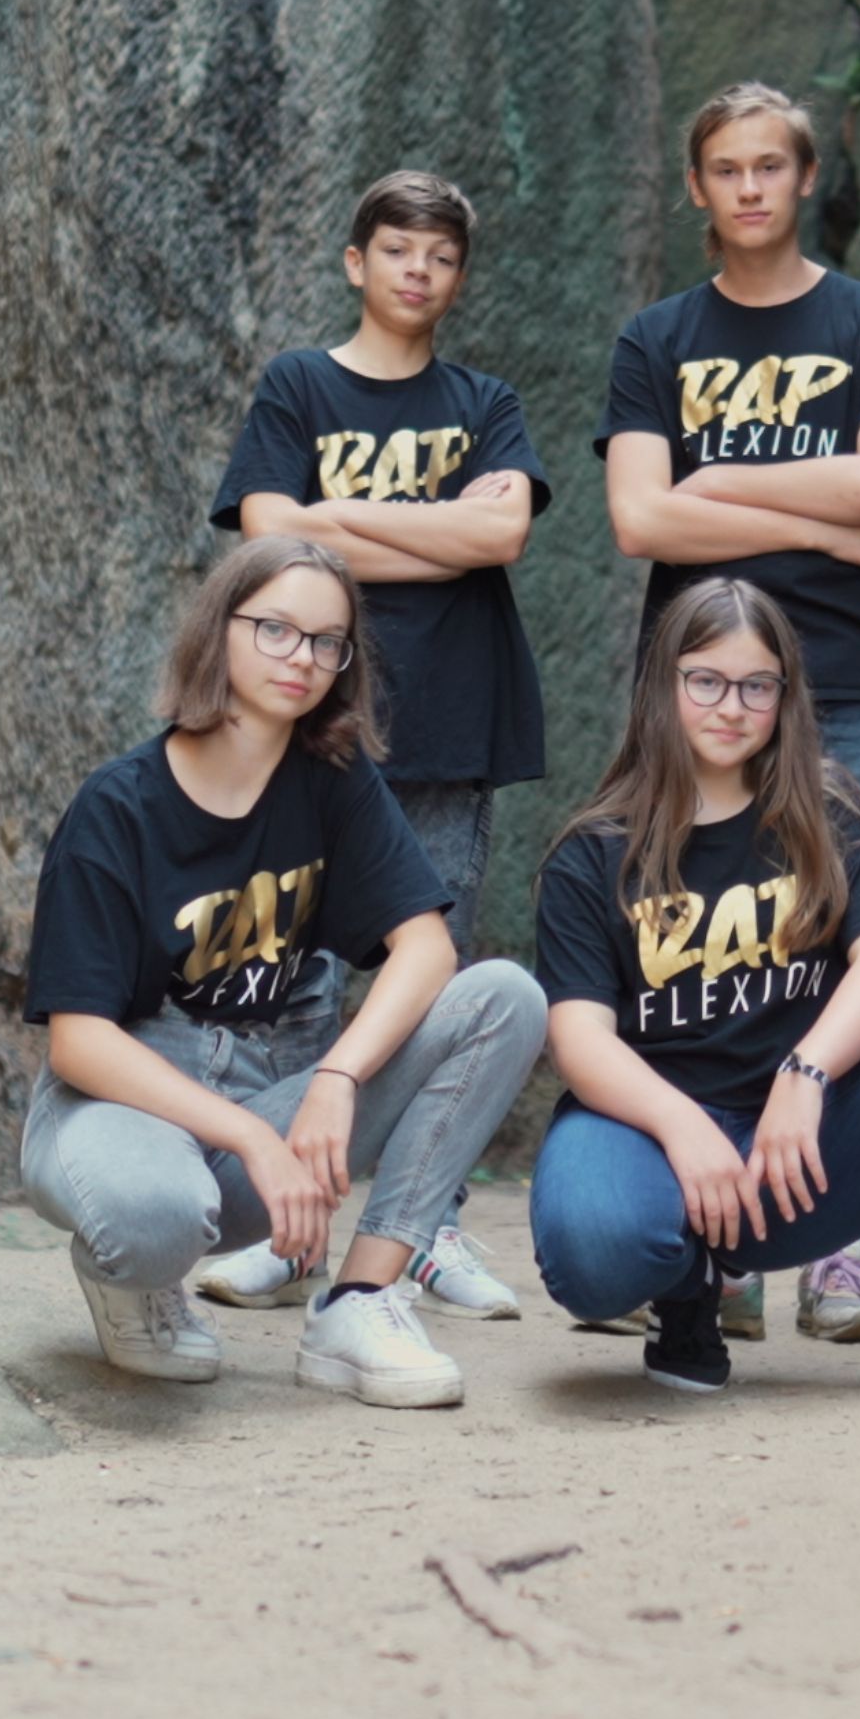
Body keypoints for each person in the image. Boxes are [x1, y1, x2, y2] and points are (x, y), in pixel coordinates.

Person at [19, 536, 546, 1403]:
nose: (301, 658)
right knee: (154, 1218)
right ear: (218, 633)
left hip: (266, 1104)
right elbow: (79, 1044)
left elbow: (426, 947)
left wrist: (337, 1076)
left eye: (325, 641)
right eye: (274, 630)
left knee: (502, 999)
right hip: (117, 1112)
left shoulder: (329, 783)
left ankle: (363, 1297)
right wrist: (253, 1137)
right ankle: (132, 1284)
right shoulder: (118, 805)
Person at [597, 82, 860, 1343]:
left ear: (804, 179)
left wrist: (723, 479)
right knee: (699, 935)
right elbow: (642, 518)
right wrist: (817, 513)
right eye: (724, 169)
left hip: (851, 678)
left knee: (849, 940)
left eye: (769, 166)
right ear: (696, 189)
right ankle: (720, 1247)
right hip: (693, 693)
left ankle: (841, 1245)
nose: (748, 187)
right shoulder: (656, 339)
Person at [527, 577, 860, 1396]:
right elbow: (578, 1038)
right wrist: (679, 1123)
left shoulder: (828, 814)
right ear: (662, 687)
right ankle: (683, 1289)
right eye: (705, 680)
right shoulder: (593, 851)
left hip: (799, 1152)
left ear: (784, 696)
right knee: (594, 1247)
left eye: (756, 685)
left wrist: (805, 1077)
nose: (730, 706)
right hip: (657, 1138)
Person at [194, 172, 546, 1322]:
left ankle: (422, 1230)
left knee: (435, 980)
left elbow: (502, 529)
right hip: (314, 721)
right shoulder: (300, 384)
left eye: (438, 256)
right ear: (357, 261)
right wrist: (435, 537)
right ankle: (287, 1230)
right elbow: (265, 529)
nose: (414, 271)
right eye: (394, 249)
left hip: (449, 724)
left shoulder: (483, 399)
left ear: (456, 276)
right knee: (299, 984)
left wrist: (339, 528)